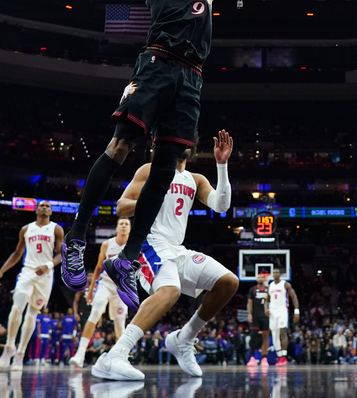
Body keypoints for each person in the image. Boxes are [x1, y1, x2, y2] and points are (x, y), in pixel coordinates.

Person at [61, 0, 236, 305]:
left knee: (166, 167)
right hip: (156, 66)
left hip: (191, 79)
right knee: (120, 147)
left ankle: (128, 258)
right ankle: (77, 236)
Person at [91, 130, 238, 382]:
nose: (184, 141)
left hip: (176, 248)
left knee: (228, 282)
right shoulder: (150, 170)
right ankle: (113, 356)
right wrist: (150, 198)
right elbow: (121, 207)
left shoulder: (196, 179)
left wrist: (222, 165)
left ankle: (184, 338)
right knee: (170, 291)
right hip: (149, 242)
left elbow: (221, 205)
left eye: (188, 137)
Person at [0, 200, 63, 369]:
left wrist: (48, 265)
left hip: (45, 276)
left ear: (51, 212)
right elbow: (17, 253)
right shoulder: (26, 229)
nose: (44, 208)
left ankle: (20, 353)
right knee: (17, 307)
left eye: (47, 206)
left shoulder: (56, 229)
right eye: (42, 206)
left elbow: (62, 254)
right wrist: (2, 271)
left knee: (32, 314)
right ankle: (9, 346)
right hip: (27, 272)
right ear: (36, 210)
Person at [70, 217, 132, 367]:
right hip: (105, 284)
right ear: (117, 228)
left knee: (120, 324)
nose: (124, 226)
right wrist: (91, 290)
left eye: (126, 224)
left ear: (130, 229)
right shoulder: (107, 244)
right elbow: (98, 268)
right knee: (95, 313)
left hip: (121, 288)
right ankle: (80, 354)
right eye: (121, 224)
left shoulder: (133, 246)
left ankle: (122, 358)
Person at [267, 266, 300, 366]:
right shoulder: (270, 286)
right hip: (272, 312)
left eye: (277, 272)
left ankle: (284, 357)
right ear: (272, 274)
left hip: (282, 310)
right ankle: (279, 356)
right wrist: (266, 309)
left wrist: (296, 311)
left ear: (280, 274)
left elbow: (294, 297)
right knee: (274, 335)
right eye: (274, 272)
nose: (275, 274)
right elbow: (266, 300)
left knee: (283, 331)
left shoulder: (285, 284)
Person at [246, 273, 271, 366]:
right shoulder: (252, 289)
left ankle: (264, 358)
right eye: (258, 277)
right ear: (257, 279)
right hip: (255, 315)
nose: (260, 278)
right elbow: (249, 303)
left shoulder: (268, 289)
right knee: (253, 336)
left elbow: (271, 302)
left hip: (265, 315)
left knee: (265, 337)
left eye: (261, 277)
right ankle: (252, 357)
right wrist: (249, 314)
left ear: (264, 279)